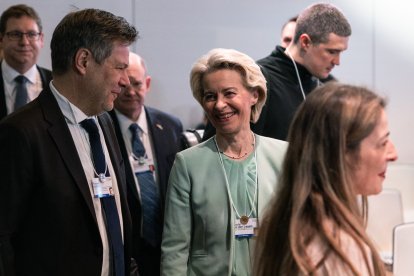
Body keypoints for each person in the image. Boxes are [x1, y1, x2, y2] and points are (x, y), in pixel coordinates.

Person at [0, 8, 138, 276]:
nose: (125, 81)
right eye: (119, 67)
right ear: (83, 61)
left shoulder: (105, 121)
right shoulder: (20, 132)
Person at [161, 48, 288, 276]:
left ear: (254, 95)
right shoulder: (187, 164)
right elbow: (175, 248)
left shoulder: (283, 155)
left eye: (229, 93)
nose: (219, 105)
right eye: (210, 96)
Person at [254, 82, 398, 276]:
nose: (393, 154)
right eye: (382, 143)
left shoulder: (284, 226)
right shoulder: (338, 250)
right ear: (342, 153)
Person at [202, 3, 351, 142]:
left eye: (341, 53)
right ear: (305, 42)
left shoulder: (327, 86)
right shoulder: (256, 79)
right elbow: (216, 151)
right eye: (332, 52)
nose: (337, 61)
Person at [109, 52, 183, 276]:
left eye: (138, 84)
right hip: (124, 249)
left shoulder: (170, 126)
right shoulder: (101, 128)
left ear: (147, 84)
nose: (131, 92)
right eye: (125, 85)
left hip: (167, 248)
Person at [0, 4, 52, 120]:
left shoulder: (56, 84)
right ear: (1, 39)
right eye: (15, 34)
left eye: (32, 34)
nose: (24, 42)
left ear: (41, 39)